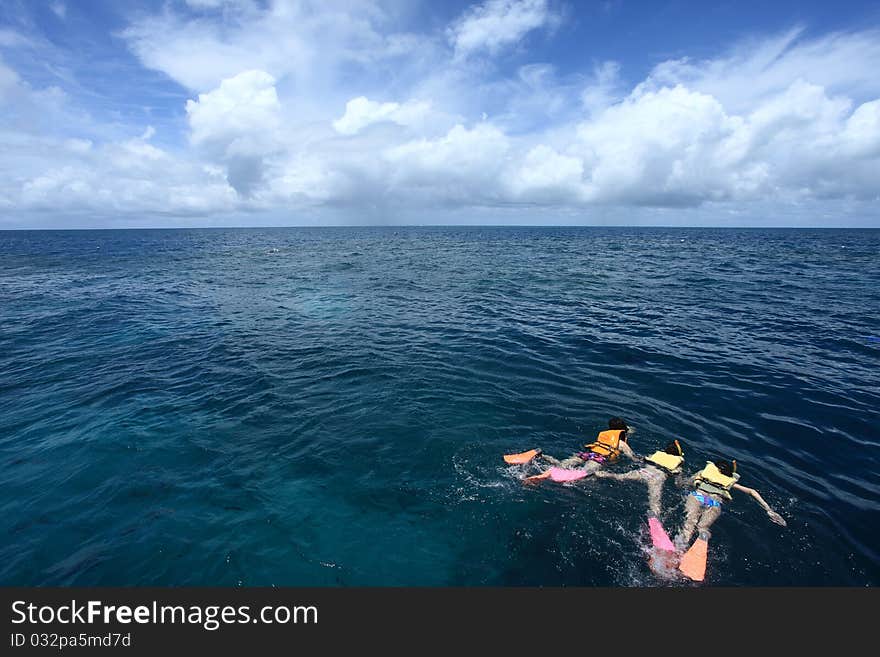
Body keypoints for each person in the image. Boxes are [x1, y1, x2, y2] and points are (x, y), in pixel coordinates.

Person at [674, 458, 787, 551]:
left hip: (697, 497)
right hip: (714, 502)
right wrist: (769, 510)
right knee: (703, 527)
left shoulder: (702, 473)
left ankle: (679, 550)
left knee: (689, 524)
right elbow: (752, 491)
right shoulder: (728, 481)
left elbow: (684, 484)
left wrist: (678, 476)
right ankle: (703, 536)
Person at [593, 439, 685, 519]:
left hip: (643, 472)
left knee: (619, 477)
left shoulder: (657, 455)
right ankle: (655, 517)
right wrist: (679, 484)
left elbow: (643, 461)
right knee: (654, 502)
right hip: (656, 478)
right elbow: (678, 481)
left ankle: (602, 474)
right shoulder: (678, 464)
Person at [527, 417, 635, 480]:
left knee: (561, 465)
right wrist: (639, 460)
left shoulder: (605, 435)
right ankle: (548, 475)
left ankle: (542, 455)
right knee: (583, 474)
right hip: (598, 460)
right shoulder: (621, 443)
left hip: (587, 454)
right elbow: (632, 457)